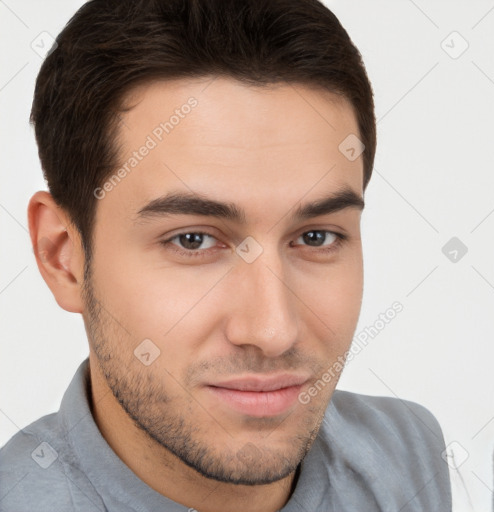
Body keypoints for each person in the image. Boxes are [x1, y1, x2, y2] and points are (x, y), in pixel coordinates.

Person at [0, 0, 451, 510]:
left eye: (316, 237)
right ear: (63, 256)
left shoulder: (407, 450)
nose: (272, 331)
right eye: (192, 240)